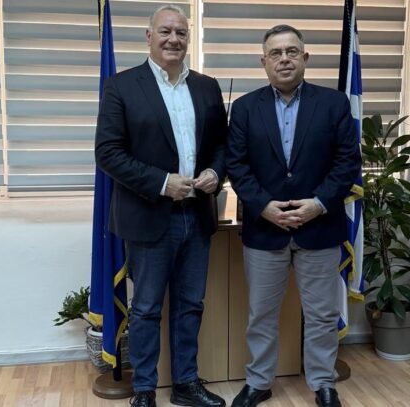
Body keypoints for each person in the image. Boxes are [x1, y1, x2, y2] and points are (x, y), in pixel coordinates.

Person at [94, 5, 227, 407]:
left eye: (181, 32)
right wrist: (162, 183)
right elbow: (108, 153)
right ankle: (145, 390)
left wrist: (214, 172)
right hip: (149, 217)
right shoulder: (121, 86)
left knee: (190, 306)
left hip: (197, 216)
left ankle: (186, 384)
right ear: (149, 36)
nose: (174, 39)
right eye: (165, 31)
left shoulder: (207, 87)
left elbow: (222, 146)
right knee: (147, 308)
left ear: (189, 39)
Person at [225, 25, 361, 407]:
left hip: (320, 227)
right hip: (264, 230)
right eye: (275, 53)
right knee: (261, 315)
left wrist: (318, 203)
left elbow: (347, 163)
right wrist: (263, 206)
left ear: (305, 57)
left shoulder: (334, 104)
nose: (284, 59)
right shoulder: (245, 108)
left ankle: (323, 383)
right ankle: (259, 382)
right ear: (263, 61)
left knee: (321, 315)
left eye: (291, 51)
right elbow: (237, 165)